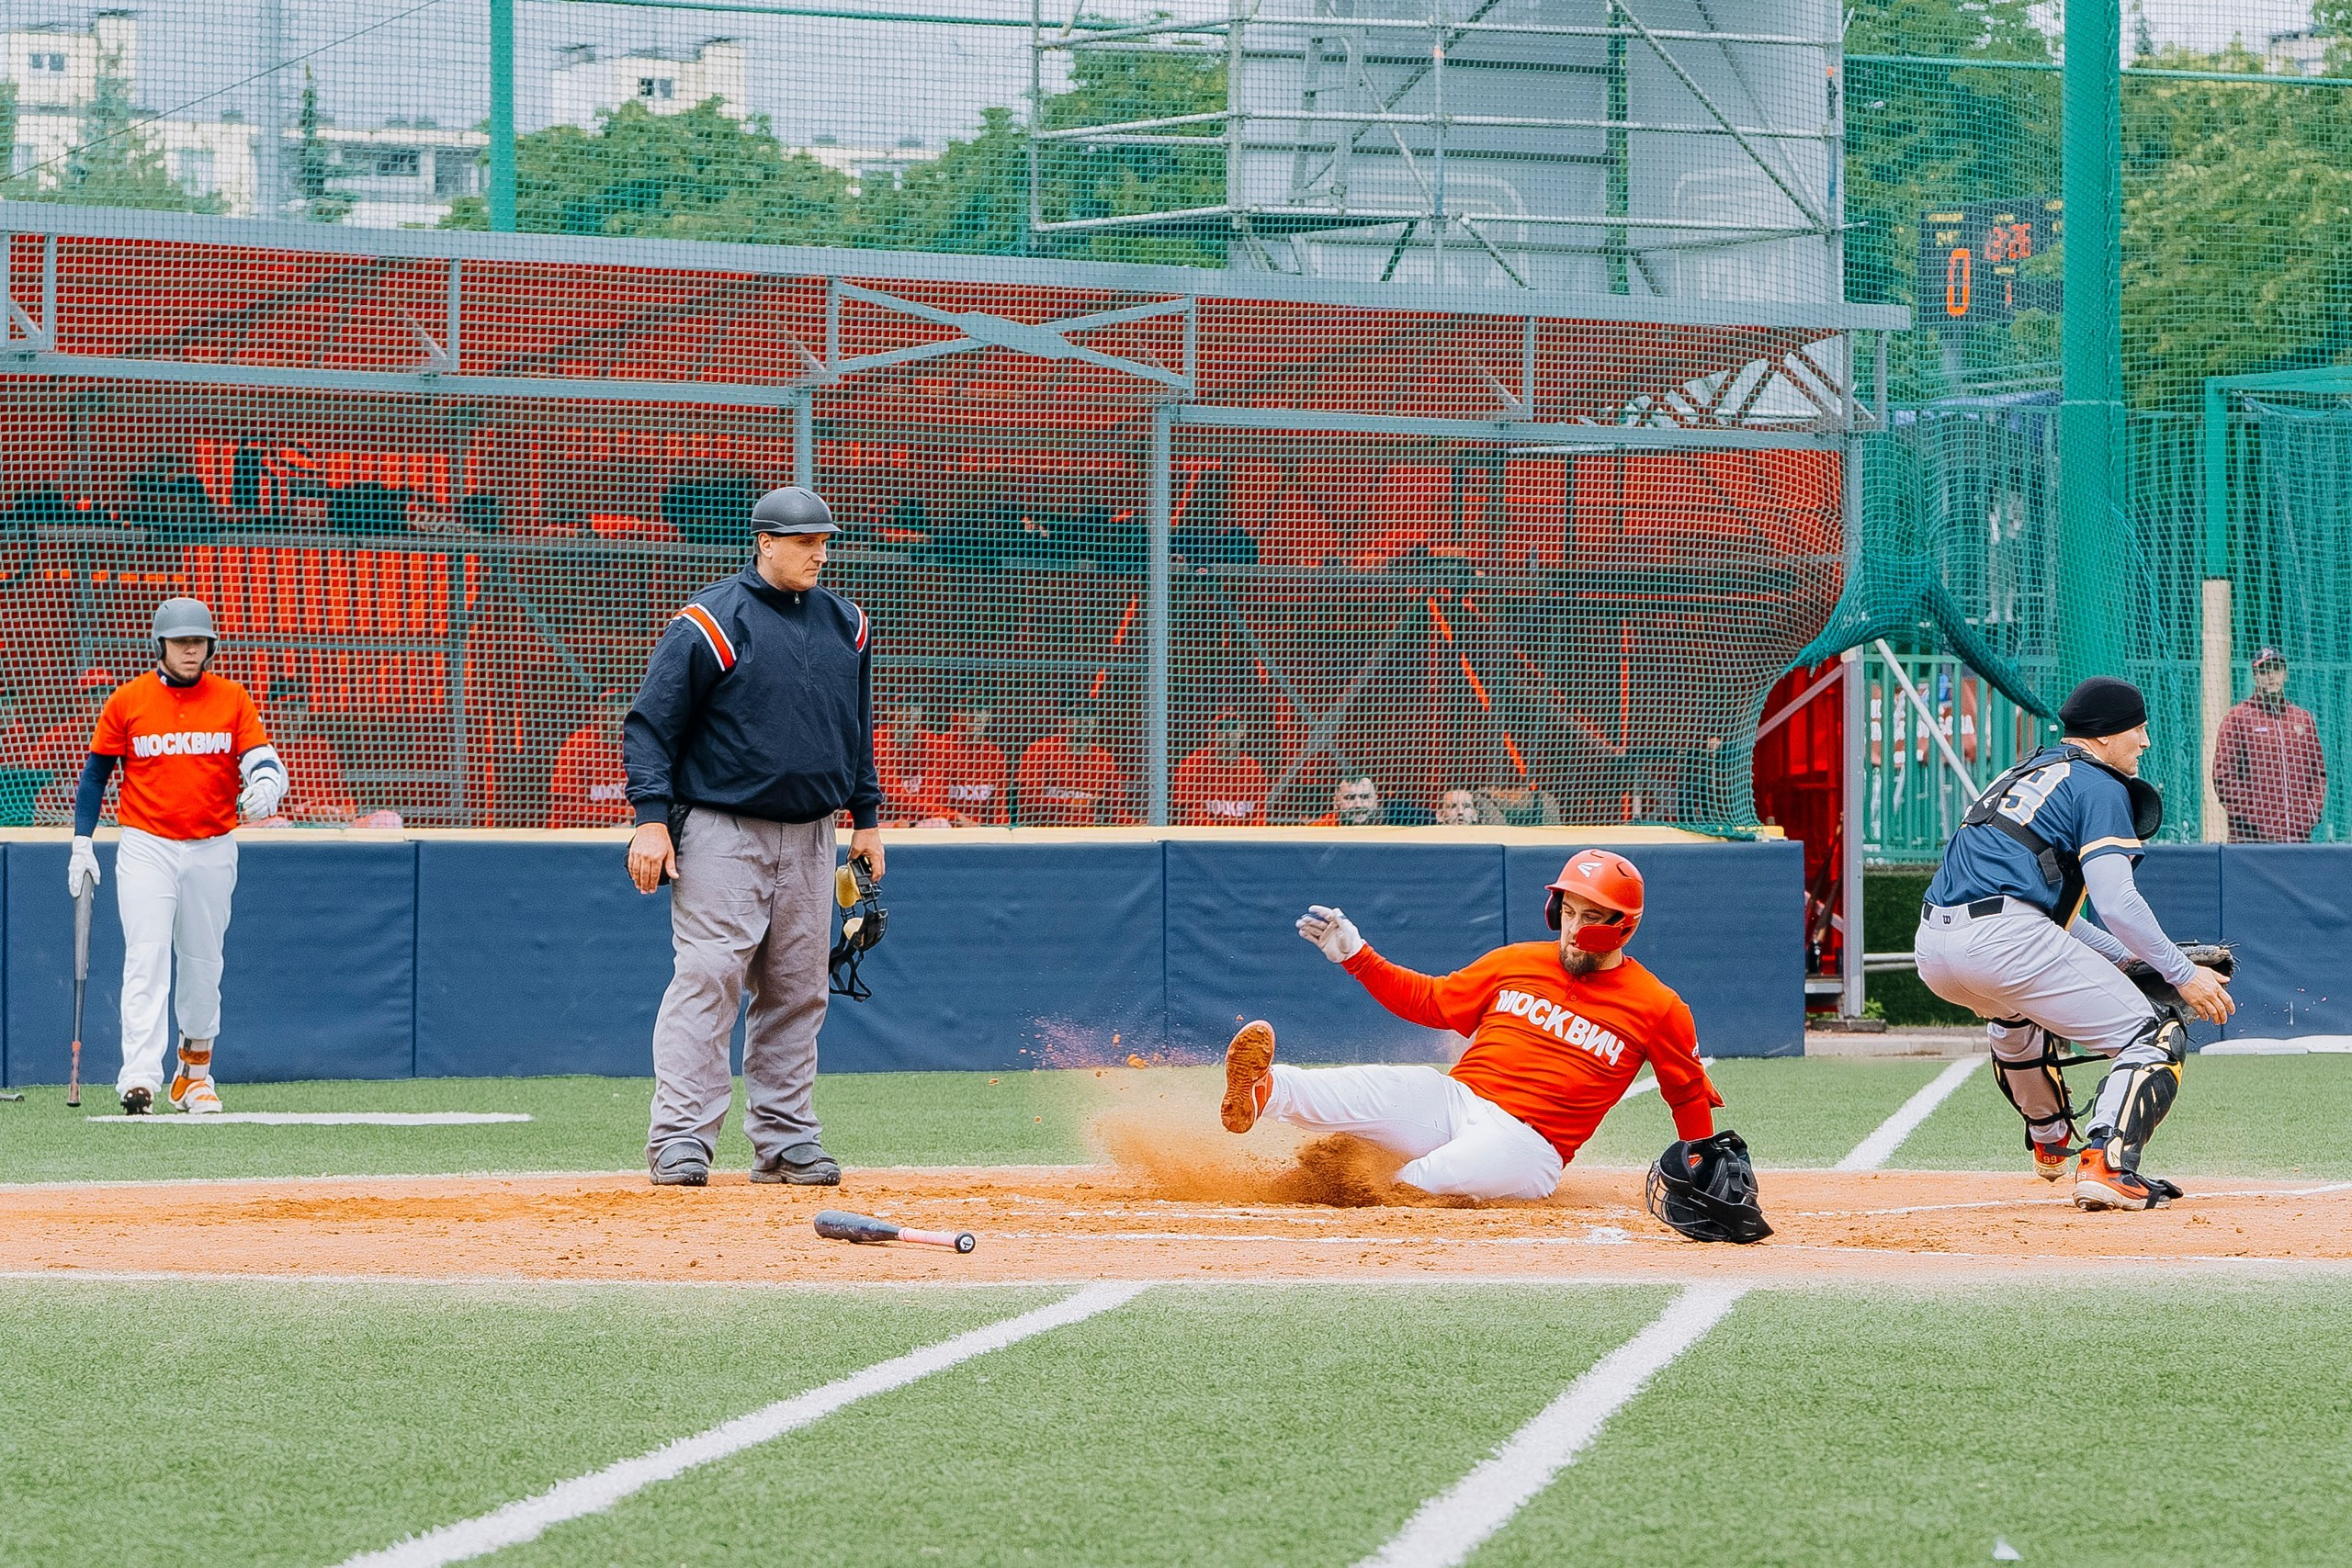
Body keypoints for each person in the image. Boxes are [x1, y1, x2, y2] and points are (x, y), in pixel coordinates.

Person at [623, 485, 885, 1189]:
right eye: (804, 541)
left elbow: (854, 732)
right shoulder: (709, 621)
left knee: (799, 990)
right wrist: (651, 820)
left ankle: (786, 1139)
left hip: (812, 835)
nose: (818, 553)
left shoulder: (848, 624)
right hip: (719, 828)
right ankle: (680, 1139)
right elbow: (650, 725)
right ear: (765, 542)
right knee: (709, 977)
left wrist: (867, 819)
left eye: (823, 541)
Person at [1219, 850, 1722, 1201]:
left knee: (1431, 1178)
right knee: (1383, 1085)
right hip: (1460, 1101)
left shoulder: (1659, 1006)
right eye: (1566, 911)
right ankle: (1266, 1088)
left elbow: (1685, 1094)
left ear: (1622, 926)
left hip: (1530, 1145)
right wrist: (1357, 956)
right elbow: (1431, 1001)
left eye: (1589, 916)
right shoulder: (1516, 961)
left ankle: (1359, 1185)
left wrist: (1701, 1161)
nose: (1572, 927)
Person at [1913, 676, 2235, 1212]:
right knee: (2153, 1035)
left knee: (2015, 1013)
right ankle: (2108, 1163)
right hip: (2005, 942)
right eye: (2139, 728)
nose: (2145, 741)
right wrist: (2181, 971)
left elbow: (2047, 918)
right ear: (2107, 735)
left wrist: (2127, 957)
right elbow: (2117, 902)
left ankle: (2049, 1136)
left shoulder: (2023, 771)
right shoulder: (2100, 784)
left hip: (1936, 945)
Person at [69, 599, 288, 1115]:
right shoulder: (128, 700)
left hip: (212, 845)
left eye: (199, 641)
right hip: (147, 844)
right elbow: (95, 774)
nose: (192, 649)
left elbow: (262, 758)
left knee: (202, 964)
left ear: (211, 645)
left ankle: (193, 1076)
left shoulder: (232, 697)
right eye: (181, 641)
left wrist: (267, 784)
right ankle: (138, 1077)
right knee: (145, 958)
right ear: (161, 645)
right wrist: (82, 840)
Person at [2212, 648, 2325, 843]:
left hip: (2298, 839)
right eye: (2264, 671)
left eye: (2276, 669)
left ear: (2285, 673)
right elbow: (2223, 775)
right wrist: (2252, 815)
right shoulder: (2237, 718)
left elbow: (2318, 774)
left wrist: (2310, 813)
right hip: (2251, 842)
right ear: (2255, 676)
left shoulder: (2302, 719)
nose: (2271, 676)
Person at [1016, 704, 1132, 826]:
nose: (1084, 721)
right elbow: (1027, 801)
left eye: (1089, 715)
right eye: (1076, 715)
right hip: (1044, 834)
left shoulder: (1104, 759)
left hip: (1086, 836)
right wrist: (1070, 803)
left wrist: (1135, 826)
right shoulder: (1040, 751)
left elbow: (1115, 810)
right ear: (1063, 721)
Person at [265, 679, 357, 824]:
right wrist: (309, 813)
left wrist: (347, 812)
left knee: (389, 819)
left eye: (301, 706)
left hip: (331, 821)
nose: (295, 713)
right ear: (272, 708)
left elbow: (344, 797)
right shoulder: (263, 750)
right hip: (290, 825)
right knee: (276, 824)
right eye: (288, 706)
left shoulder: (319, 745)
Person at [30, 670, 112, 822]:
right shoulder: (55, 742)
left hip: (113, 827)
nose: (103, 703)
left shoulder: (126, 741)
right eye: (94, 696)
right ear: (78, 701)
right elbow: (37, 802)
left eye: (108, 695)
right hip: (63, 827)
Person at [546, 688, 630, 829]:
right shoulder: (577, 745)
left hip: (621, 833)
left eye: (621, 705)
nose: (616, 711)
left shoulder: (634, 744)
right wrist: (625, 814)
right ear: (595, 710)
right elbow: (567, 811)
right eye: (608, 706)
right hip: (575, 837)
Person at [1170, 711, 1267, 827]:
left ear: (1243, 731)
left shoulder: (1253, 768)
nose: (1228, 733)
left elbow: (1259, 815)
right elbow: (1189, 814)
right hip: (1202, 839)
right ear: (1211, 731)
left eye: (1234, 727)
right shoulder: (1193, 763)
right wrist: (1222, 837)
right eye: (1221, 727)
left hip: (1242, 839)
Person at [934, 694, 1009, 826]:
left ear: (988, 715)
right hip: (946, 829)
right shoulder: (939, 748)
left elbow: (999, 810)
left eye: (980, 710)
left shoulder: (995, 755)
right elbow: (931, 805)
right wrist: (955, 818)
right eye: (967, 710)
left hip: (979, 834)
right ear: (955, 716)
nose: (975, 716)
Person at [874, 695, 945, 827]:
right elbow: (894, 794)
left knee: (941, 823)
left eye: (915, 706)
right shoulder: (878, 741)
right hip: (877, 820)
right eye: (903, 707)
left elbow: (932, 794)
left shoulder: (930, 741)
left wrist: (908, 818)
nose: (910, 712)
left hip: (914, 818)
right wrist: (952, 814)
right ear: (889, 710)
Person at [1311, 774, 1385, 827]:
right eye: (1350, 798)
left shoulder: (1391, 827)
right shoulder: (1320, 828)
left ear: (1376, 801)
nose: (1358, 805)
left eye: (1365, 797)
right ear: (1335, 803)